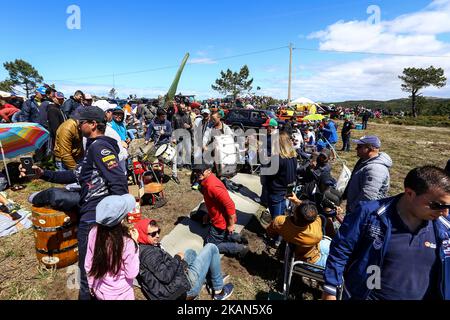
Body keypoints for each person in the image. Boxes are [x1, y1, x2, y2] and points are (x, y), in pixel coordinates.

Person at [21, 106, 128, 300]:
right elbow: (75, 175)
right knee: (92, 264)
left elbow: (119, 183)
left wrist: (112, 220)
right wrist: (43, 173)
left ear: (93, 124)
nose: (78, 126)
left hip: (94, 216)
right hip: (90, 211)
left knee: (86, 269)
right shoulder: (92, 146)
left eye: (81, 123)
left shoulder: (99, 147)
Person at [322, 166, 450, 300]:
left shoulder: (445, 226)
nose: (445, 213)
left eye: (448, 206)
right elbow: (341, 250)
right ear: (410, 193)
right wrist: (330, 289)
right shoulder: (370, 214)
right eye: (437, 205)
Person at [133, 218, 234, 300]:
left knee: (190, 252)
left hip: (173, 284)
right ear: (142, 234)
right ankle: (219, 292)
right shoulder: (150, 254)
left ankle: (208, 279)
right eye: (153, 234)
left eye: (158, 231)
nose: (158, 236)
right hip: (183, 289)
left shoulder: (140, 248)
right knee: (211, 247)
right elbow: (166, 276)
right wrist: (177, 258)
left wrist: (180, 263)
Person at [85, 194, 139, 300]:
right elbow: (131, 273)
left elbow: (88, 264)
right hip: (122, 295)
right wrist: (135, 244)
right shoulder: (127, 243)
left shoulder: (94, 232)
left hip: (100, 290)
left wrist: (91, 285)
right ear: (122, 219)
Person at [192, 164, 249, 258]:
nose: (198, 173)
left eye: (201, 171)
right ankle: (238, 238)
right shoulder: (207, 181)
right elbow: (213, 202)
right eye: (197, 171)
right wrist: (209, 214)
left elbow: (230, 205)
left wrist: (231, 225)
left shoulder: (212, 186)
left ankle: (239, 248)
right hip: (219, 218)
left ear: (209, 171)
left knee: (209, 246)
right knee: (224, 233)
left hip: (220, 222)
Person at [266, 201, 330, 267]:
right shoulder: (315, 234)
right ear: (311, 222)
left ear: (295, 211)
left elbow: (270, 232)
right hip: (314, 258)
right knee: (339, 260)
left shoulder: (279, 221)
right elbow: (319, 218)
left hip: (302, 253)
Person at [344, 136, 393, 214]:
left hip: (360, 213)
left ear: (371, 149)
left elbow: (368, 196)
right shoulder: (364, 161)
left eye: (359, 146)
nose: (356, 149)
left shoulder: (375, 169)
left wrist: (352, 209)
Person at [265, 131, 297, 219]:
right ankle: (282, 231)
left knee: (276, 218)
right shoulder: (293, 156)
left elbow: (268, 174)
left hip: (276, 190)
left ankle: (276, 232)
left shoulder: (277, 159)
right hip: (287, 189)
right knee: (282, 213)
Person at [145, 108, 179, 184]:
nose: (164, 118)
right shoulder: (152, 123)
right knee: (157, 162)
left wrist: (164, 133)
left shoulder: (167, 123)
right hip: (157, 144)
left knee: (174, 159)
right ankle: (159, 175)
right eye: (163, 116)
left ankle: (174, 175)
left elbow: (170, 133)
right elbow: (148, 132)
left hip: (166, 144)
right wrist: (147, 139)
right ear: (158, 116)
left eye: (165, 116)